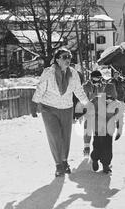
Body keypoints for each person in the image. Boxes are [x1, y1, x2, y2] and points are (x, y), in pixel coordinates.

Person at [32, 48, 90, 177]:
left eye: (69, 57)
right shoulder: (48, 72)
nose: (68, 59)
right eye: (64, 57)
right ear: (57, 59)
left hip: (67, 108)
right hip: (49, 108)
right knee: (55, 136)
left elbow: (78, 91)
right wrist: (35, 103)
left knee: (65, 137)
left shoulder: (73, 73)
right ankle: (58, 165)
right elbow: (40, 88)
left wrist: (87, 104)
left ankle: (64, 162)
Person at [88, 83, 124, 174]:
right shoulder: (97, 100)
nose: (108, 99)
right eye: (107, 97)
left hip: (106, 130)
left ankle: (105, 164)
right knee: (99, 146)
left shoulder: (117, 104)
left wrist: (119, 130)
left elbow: (119, 117)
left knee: (105, 147)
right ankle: (96, 160)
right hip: (99, 128)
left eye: (111, 97)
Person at [79, 70, 107, 156]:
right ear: (92, 77)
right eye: (97, 77)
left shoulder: (101, 85)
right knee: (88, 130)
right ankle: (86, 148)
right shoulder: (86, 86)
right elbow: (82, 100)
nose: (99, 79)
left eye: (100, 77)